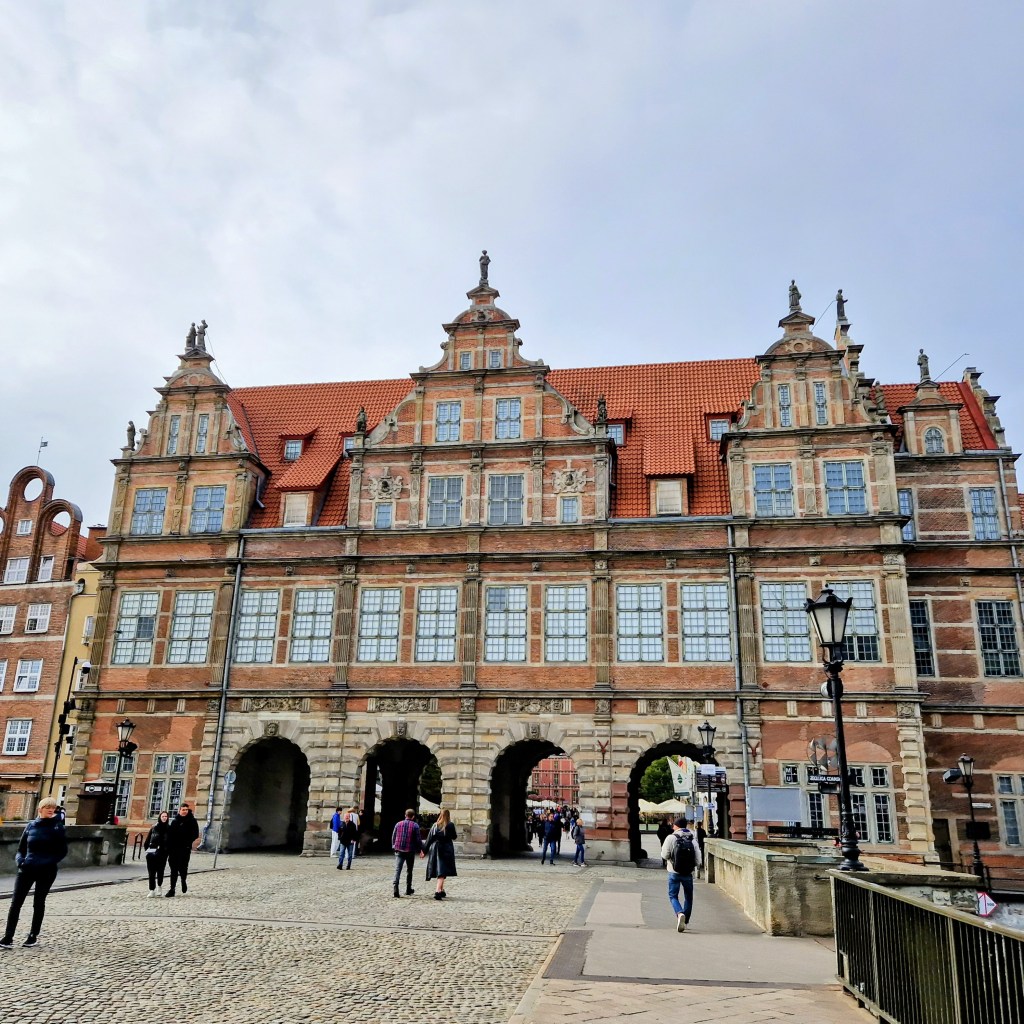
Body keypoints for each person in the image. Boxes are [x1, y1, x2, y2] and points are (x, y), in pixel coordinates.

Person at [1, 796, 68, 949]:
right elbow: (20, 849)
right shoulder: (31, 826)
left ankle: (33, 935)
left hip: (47, 871)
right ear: (40, 809)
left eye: (53, 808)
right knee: (15, 903)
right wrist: (20, 861)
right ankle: (8, 937)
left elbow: (62, 852)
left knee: (38, 902)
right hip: (27, 869)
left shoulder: (58, 827)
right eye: (48, 807)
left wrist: (48, 862)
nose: (51, 810)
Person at [661, 817, 702, 933]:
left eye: (673, 825)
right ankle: (686, 921)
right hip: (688, 873)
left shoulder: (671, 838)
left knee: (673, 896)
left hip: (674, 871)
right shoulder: (692, 839)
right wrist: (694, 866)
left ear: (676, 826)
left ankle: (679, 913)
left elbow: (664, 855)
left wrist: (671, 859)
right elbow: (698, 859)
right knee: (689, 897)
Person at [166, 803, 200, 897]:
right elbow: (170, 835)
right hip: (174, 849)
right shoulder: (175, 821)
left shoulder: (192, 821)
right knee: (173, 870)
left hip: (185, 848)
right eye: (183, 809)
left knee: (183, 868)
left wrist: (188, 841)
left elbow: (195, 834)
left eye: (186, 810)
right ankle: (172, 889)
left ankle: (183, 881)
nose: (185, 811)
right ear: (179, 810)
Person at [424, 808, 458, 900]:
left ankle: (441, 890)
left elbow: (429, 839)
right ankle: (438, 891)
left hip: (436, 848)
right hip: (446, 848)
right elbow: (454, 837)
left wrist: (424, 850)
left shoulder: (435, 825)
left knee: (441, 869)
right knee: (442, 870)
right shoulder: (450, 825)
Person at [391, 809, 425, 897]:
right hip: (410, 850)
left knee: (398, 869)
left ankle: (395, 888)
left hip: (399, 849)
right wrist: (421, 849)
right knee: (409, 870)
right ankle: (408, 889)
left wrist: (394, 846)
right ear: (413, 816)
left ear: (405, 815)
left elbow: (394, 836)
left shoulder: (398, 824)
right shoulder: (415, 826)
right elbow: (418, 840)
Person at [144, 810, 171, 897]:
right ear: (160, 817)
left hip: (163, 853)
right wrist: (147, 850)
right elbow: (147, 840)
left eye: (166, 816)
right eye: (163, 816)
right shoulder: (154, 828)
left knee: (160, 871)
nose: (164, 818)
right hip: (152, 852)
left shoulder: (169, 828)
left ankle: (159, 886)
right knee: (151, 872)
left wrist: (167, 851)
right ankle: (152, 890)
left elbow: (171, 842)